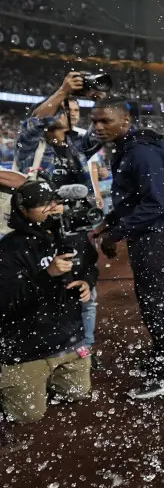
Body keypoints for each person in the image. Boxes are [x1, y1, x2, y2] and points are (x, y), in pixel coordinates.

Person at [88, 97, 164, 399]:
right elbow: (134, 199)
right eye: (94, 121)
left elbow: (156, 202)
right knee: (154, 297)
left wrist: (114, 235)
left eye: (105, 121)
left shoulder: (141, 152)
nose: (97, 127)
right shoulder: (131, 148)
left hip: (156, 234)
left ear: (125, 122)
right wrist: (108, 223)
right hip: (152, 231)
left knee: (155, 299)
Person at [0, 179, 93, 425]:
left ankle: (51, 376)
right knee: (27, 416)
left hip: (69, 339)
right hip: (26, 347)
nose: (52, 208)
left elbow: (89, 266)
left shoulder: (70, 233)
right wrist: (46, 276)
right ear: (24, 210)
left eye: (53, 202)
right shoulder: (9, 249)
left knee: (77, 394)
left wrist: (86, 282)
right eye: (42, 205)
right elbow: (6, 301)